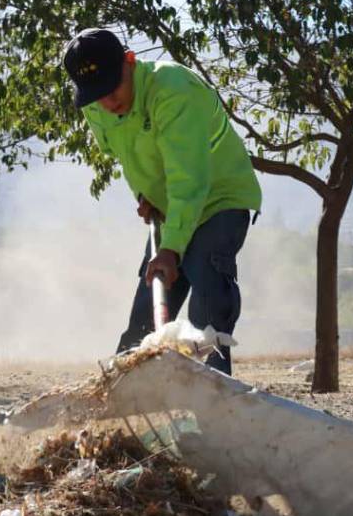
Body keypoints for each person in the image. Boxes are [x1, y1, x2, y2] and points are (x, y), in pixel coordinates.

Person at [63, 28, 262, 375]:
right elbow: (126, 154)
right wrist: (143, 195)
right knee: (145, 317)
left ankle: (212, 396)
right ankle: (124, 395)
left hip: (219, 201)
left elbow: (190, 179)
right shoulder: (95, 106)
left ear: (130, 61)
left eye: (112, 87)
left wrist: (171, 249)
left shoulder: (173, 91)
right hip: (172, 211)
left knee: (207, 298)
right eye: (97, 95)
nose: (108, 102)